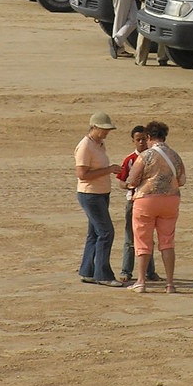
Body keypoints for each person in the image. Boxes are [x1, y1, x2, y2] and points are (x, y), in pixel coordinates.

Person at [126, 120, 185, 293]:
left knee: (142, 241)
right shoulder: (175, 155)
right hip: (170, 200)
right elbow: (182, 180)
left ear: (149, 136)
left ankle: (141, 281)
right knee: (167, 241)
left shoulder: (145, 156)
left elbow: (132, 180)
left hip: (146, 200)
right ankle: (170, 284)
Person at [74, 111, 124, 287]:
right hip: (90, 195)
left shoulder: (99, 144)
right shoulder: (85, 145)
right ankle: (103, 275)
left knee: (94, 233)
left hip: (101, 194)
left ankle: (87, 271)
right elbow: (82, 174)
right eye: (103, 129)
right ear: (94, 127)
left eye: (107, 130)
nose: (106, 133)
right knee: (106, 232)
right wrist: (109, 170)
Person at [115, 125, 161, 284]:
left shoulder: (154, 157)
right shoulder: (130, 160)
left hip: (150, 201)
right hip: (133, 201)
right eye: (138, 140)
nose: (141, 142)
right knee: (130, 239)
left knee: (148, 239)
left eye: (143, 139)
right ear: (133, 141)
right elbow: (121, 180)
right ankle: (126, 271)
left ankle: (150, 271)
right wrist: (129, 186)